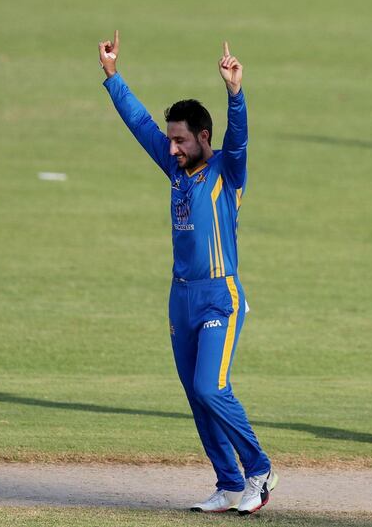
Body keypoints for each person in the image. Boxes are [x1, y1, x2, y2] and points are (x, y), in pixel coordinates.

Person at [98, 30, 276, 515]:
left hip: (221, 296)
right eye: (170, 139)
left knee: (210, 387)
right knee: (196, 397)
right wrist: (113, 77)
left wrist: (234, 93)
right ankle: (229, 484)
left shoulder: (226, 170)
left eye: (180, 140)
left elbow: (238, 137)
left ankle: (259, 469)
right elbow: (140, 125)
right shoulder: (176, 169)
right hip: (181, 298)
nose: (172, 148)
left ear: (203, 137)